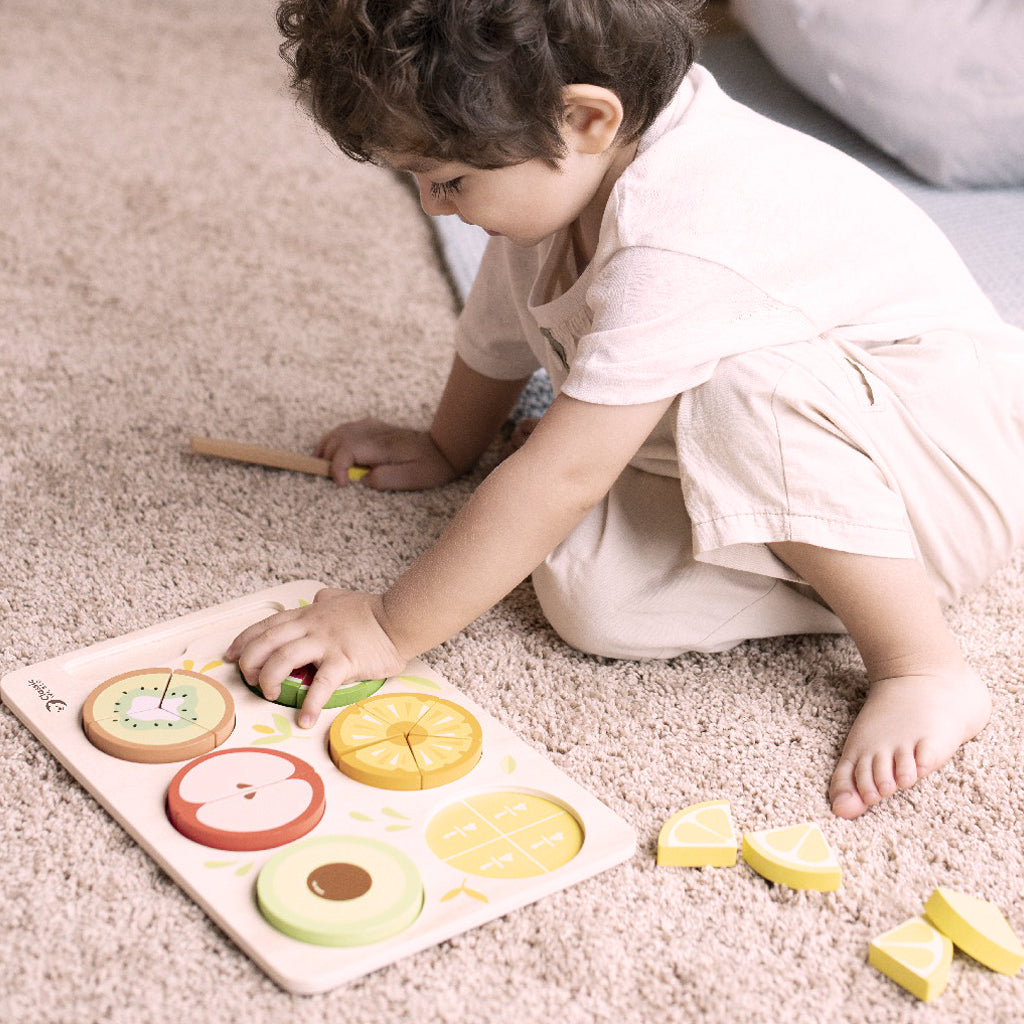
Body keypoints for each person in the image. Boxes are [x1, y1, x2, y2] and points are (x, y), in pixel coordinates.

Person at [227, 0, 1024, 819]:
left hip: (944, 470)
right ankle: (817, 558)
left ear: (583, 119)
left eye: (450, 180)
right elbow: (500, 330)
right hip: (828, 462)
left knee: (718, 399)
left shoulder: (677, 229)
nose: (434, 205)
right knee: (590, 600)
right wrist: (445, 445)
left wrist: (390, 629)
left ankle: (921, 662)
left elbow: (566, 475)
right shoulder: (559, 173)